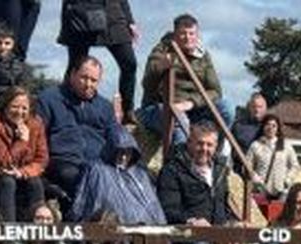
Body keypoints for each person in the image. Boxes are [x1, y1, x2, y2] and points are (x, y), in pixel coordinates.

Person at [38, 56, 120, 200]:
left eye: (94, 80)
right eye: (84, 78)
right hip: (63, 162)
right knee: (80, 179)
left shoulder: (105, 107)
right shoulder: (49, 99)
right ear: (72, 74)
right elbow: (37, 136)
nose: (88, 84)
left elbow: (116, 137)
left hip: (98, 164)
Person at [138, 14, 227, 145]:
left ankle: (213, 149)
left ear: (197, 35)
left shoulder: (203, 55)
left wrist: (191, 103)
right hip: (160, 108)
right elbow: (147, 84)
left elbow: (215, 91)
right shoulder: (162, 50)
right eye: (183, 33)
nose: (188, 38)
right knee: (178, 119)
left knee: (225, 108)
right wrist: (160, 67)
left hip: (192, 108)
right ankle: (180, 155)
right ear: (175, 35)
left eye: (191, 34)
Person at [0, 86, 47, 221]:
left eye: (24, 108)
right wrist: (21, 142)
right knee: (8, 182)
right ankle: (9, 229)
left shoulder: (36, 124)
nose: (19, 112)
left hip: (23, 172)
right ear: (5, 106)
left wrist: (23, 172)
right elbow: (3, 162)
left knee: (35, 182)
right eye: (15, 107)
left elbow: (41, 159)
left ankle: (39, 227)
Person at [59, 0, 138, 122]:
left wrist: (130, 20)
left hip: (113, 13)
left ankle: (127, 110)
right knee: (75, 66)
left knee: (129, 63)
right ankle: (64, 110)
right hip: (82, 10)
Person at [245, 113, 298, 201]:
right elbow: (247, 165)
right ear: (263, 127)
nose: (270, 128)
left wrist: (288, 179)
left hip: (281, 190)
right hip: (261, 189)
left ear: (277, 129)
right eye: (268, 125)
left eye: (274, 126)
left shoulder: (285, 145)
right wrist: (255, 177)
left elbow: (294, 165)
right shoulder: (255, 145)